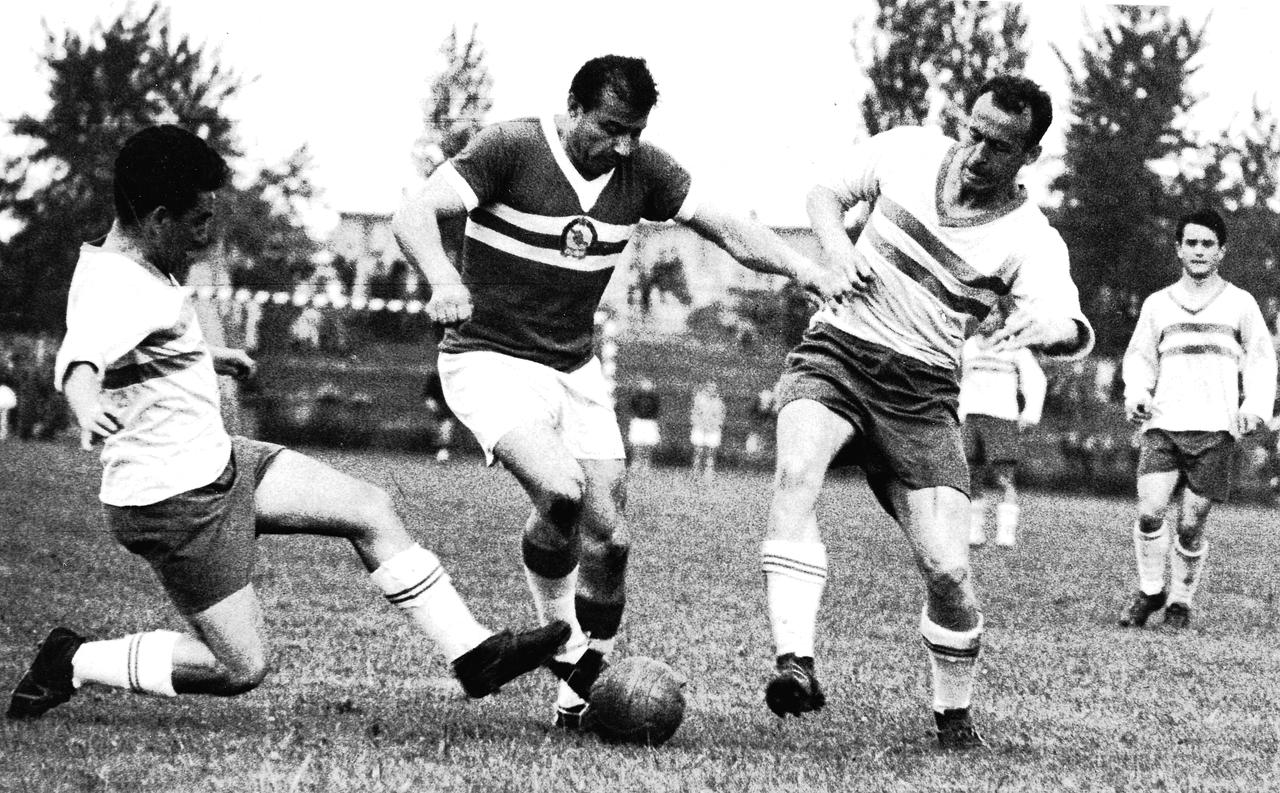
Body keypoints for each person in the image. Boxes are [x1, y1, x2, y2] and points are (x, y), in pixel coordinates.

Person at [8, 125, 568, 722]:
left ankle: (474, 654)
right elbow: (82, 359)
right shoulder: (116, 285)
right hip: (173, 499)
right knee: (238, 668)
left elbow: (139, 343)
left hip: (218, 459)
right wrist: (85, 403)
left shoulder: (138, 262)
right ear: (158, 218)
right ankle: (73, 660)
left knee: (367, 508)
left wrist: (205, 357)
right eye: (198, 221)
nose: (206, 236)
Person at [391, 54, 852, 728]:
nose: (624, 145)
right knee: (562, 491)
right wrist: (442, 277)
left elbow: (728, 227)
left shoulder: (645, 170)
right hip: (486, 358)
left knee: (610, 541)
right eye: (610, 128)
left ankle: (578, 690)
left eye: (635, 131)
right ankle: (569, 653)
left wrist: (803, 269)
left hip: (573, 367)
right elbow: (414, 213)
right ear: (575, 108)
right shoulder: (509, 147)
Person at [759, 75, 1094, 749]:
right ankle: (796, 661)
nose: (975, 154)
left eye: (998, 146)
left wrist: (1043, 330)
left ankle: (954, 717)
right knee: (796, 472)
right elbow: (824, 194)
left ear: (1028, 156)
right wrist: (838, 248)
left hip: (922, 395)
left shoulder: (1031, 239)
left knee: (948, 570)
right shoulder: (908, 149)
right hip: (838, 352)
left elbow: (1068, 322)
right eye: (972, 131)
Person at [1118, 208, 1276, 630]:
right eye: (1191, 243)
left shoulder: (1240, 303)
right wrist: (1138, 394)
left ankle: (1180, 602)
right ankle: (1151, 590)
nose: (1199, 250)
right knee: (1150, 512)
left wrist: (1254, 406)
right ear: (1178, 249)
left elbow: (1261, 360)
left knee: (1189, 525)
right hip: (1164, 424)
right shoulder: (1157, 304)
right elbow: (1140, 358)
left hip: (1216, 428)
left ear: (1221, 251)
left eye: (1208, 243)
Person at [959, 307, 1047, 548]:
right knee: (971, 476)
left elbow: (1036, 380)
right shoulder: (967, 347)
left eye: (991, 314)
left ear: (1001, 318)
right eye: (982, 314)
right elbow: (958, 382)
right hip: (971, 416)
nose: (986, 319)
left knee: (1004, 477)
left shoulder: (1014, 348)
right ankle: (974, 532)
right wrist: (958, 413)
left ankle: (1006, 534)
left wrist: (1031, 413)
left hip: (1002, 417)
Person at [689, 380, 726, 481]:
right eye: (710, 387)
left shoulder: (719, 402)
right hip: (700, 427)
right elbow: (694, 413)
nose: (711, 389)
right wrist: (700, 423)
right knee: (698, 451)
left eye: (714, 387)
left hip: (713, 429)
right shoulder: (699, 399)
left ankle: (708, 473)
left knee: (711, 452)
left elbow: (721, 416)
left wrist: (713, 425)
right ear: (706, 388)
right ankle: (695, 472)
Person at [625, 377, 662, 472]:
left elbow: (657, 410)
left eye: (648, 385)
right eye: (644, 384)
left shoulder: (655, 398)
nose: (646, 386)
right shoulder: (636, 397)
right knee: (637, 444)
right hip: (638, 421)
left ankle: (646, 464)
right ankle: (636, 462)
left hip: (650, 422)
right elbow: (632, 407)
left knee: (648, 445)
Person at [422, 369, 457, 462]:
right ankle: (440, 448)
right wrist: (430, 400)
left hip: (450, 405)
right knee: (439, 425)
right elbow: (428, 393)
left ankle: (443, 449)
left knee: (446, 423)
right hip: (438, 403)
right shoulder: (436, 377)